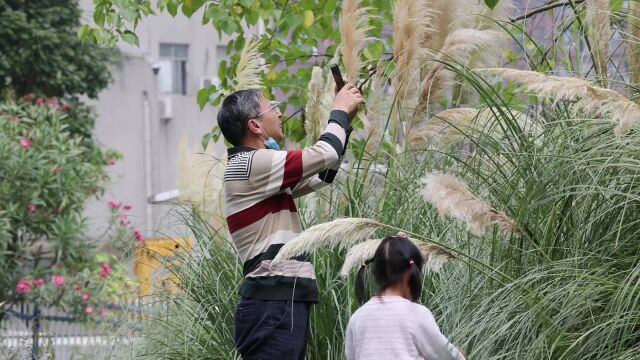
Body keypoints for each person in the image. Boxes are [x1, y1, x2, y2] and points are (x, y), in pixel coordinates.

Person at [217, 84, 364, 359]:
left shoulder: (262, 172)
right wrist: (339, 111)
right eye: (271, 107)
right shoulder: (250, 166)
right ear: (255, 126)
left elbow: (323, 175)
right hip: (271, 304)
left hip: (281, 302)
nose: (279, 111)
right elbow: (326, 153)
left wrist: (345, 122)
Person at [345, 235, 467, 360]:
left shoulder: (358, 318)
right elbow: (448, 357)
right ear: (411, 272)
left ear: (375, 272)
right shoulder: (417, 314)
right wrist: (461, 354)